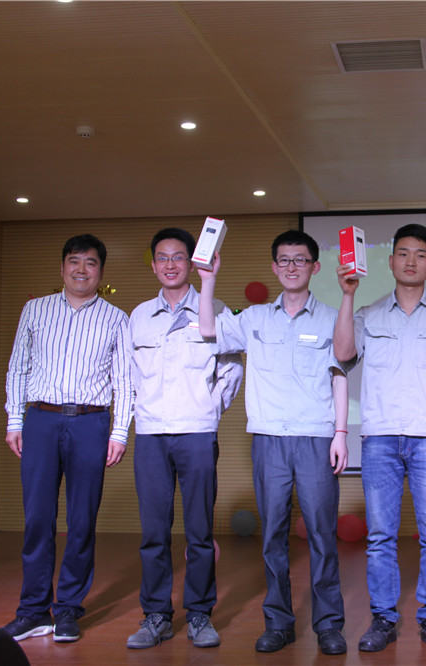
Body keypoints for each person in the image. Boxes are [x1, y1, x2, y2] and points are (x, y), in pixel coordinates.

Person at [197, 229, 350, 656]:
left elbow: (340, 377)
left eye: (300, 260)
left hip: (316, 437)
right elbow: (208, 330)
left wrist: (341, 433)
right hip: (268, 439)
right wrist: (208, 280)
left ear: (315, 267)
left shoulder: (332, 317)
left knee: (322, 535)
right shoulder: (254, 318)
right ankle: (279, 623)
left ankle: (329, 625)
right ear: (274, 267)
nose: (291, 267)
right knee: (273, 537)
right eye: (284, 260)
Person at [333, 224, 426, 654]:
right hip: (380, 439)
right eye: (403, 253)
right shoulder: (369, 314)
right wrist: (348, 295)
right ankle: (384, 619)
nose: (411, 261)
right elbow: (342, 354)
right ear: (391, 260)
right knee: (380, 536)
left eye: (420, 255)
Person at [1, 234, 131, 643]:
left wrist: (119, 431)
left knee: (82, 520)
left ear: (101, 271)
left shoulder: (116, 318)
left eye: (90, 263)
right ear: (62, 268)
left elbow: (125, 380)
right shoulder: (35, 309)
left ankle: (69, 609)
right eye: (74, 261)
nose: (81, 269)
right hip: (40, 419)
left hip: (91, 423)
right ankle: (33, 611)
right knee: (38, 518)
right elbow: (18, 367)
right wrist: (15, 420)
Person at [125, 228, 242, 650]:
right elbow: (129, 374)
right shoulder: (139, 316)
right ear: (153, 264)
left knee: (199, 531)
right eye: (162, 257)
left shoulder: (216, 309)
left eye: (178, 257)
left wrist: (209, 409)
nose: (170, 264)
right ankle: (156, 615)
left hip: (197, 432)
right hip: (151, 434)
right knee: (154, 532)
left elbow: (232, 369)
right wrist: (139, 414)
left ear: (192, 262)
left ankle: (199, 614)